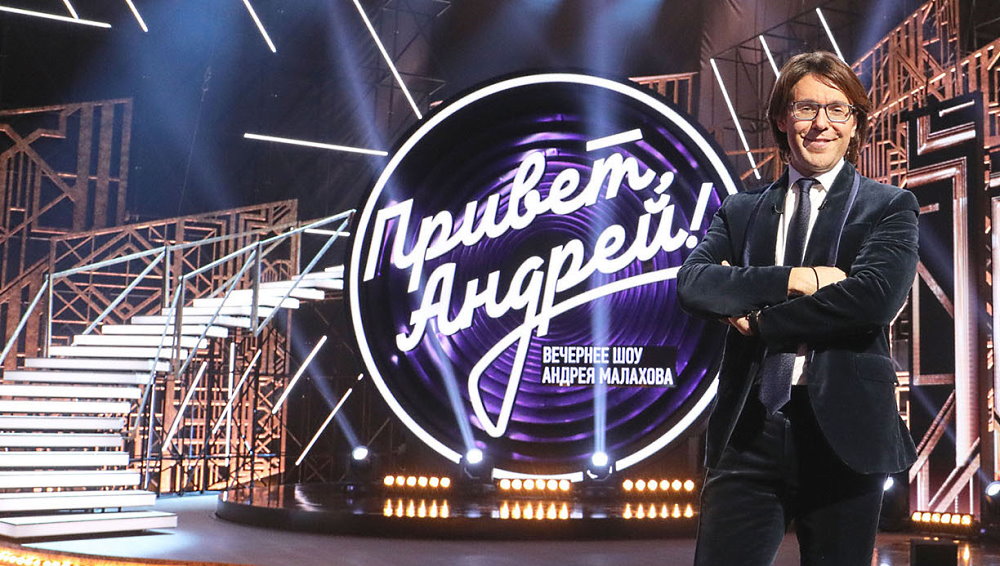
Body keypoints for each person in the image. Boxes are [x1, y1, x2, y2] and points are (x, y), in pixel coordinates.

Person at [678, 51, 919, 565]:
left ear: (855, 124)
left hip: (845, 432)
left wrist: (761, 320)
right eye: (806, 108)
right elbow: (695, 284)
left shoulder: (889, 206)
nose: (821, 123)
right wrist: (797, 279)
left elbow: (872, 299)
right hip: (749, 429)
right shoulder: (741, 210)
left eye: (837, 109)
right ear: (782, 119)